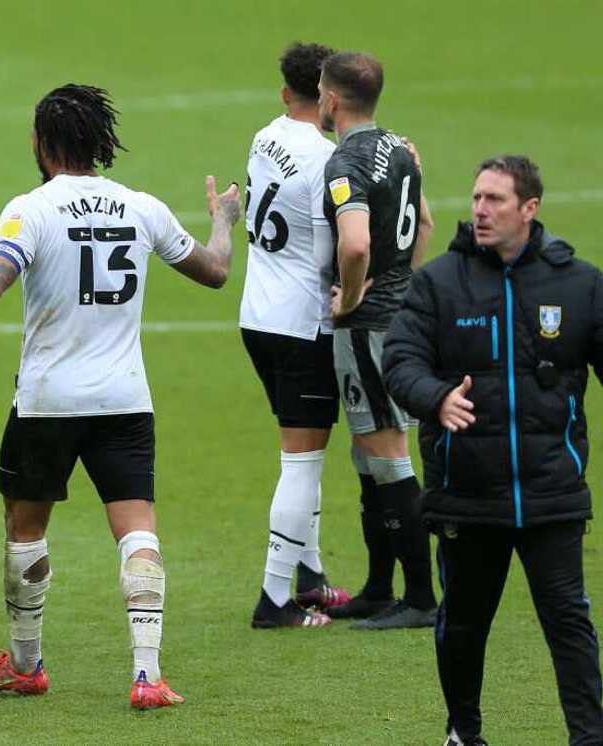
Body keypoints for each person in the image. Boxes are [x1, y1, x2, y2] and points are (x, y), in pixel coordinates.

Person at [0, 83, 240, 709]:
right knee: (137, 529)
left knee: (25, 527)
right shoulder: (141, 207)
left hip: (48, 401)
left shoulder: (30, 209)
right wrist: (223, 219)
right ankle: (148, 676)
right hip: (124, 400)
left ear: (43, 143)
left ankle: (26, 665)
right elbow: (216, 270)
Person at [384, 155, 603, 746]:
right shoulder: (440, 282)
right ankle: (464, 732)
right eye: (477, 197)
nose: (480, 210)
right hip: (467, 495)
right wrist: (435, 398)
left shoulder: (579, 283)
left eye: (495, 200)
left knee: (569, 623)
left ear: (529, 209)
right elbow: (400, 360)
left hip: (552, 491)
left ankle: (588, 737)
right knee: (464, 627)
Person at [316, 51, 437, 629]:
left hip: (369, 329)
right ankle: (378, 587)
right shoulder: (401, 150)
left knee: (387, 455)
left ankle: (419, 598)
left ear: (333, 99)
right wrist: (403, 286)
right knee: (366, 454)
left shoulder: (346, 164)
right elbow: (425, 227)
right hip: (398, 316)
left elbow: (356, 244)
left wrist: (357, 296)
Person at [241, 41, 351, 630]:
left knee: (300, 454)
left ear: (286, 92)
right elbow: (330, 249)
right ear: (332, 96)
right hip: (303, 321)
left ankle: (308, 578)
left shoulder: (263, 137)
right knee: (303, 460)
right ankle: (275, 598)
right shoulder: (327, 159)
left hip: (256, 316)